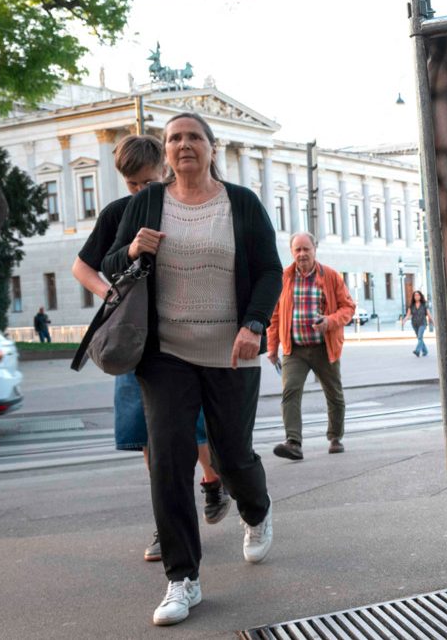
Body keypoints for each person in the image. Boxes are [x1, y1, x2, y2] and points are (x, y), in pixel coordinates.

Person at [102, 112, 281, 626]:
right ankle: (183, 579)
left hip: (232, 351)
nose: (184, 145)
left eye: (193, 137)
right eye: (175, 138)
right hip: (166, 356)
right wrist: (133, 248)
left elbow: (270, 269)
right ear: (166, 149)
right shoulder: (147, 202)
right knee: (168, 461)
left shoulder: (240, 203)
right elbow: (112, 263)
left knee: (230, 454)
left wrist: (253, 324)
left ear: (210, 146)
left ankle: (257, 510)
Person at [71, 134, 231, 563]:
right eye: (133, 186)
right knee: (150, 435)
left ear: (165, 169)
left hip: (185, 338)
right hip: (138, 341)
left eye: (148, 182)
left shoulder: (185, 208)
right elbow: (82, 266)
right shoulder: (119, 214)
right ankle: (167, 524)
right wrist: (110, 294)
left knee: (194, 426)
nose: (141, 192)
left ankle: (213, 483)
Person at [266, 232, 355, 460]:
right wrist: (272, 347)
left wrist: (329, 321)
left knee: (334, 393)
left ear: (315, 249)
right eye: (298, 250)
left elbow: (348, 308)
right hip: (294, 349)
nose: (302, 254)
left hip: (324, 347)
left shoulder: (331, 276)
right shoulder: (285, 277)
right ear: (292, 252)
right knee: (290, 391)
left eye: (306, 249)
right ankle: (293, 442)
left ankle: (335, 437)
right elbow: (275, 315)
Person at [401, 290, 433, 357]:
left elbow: (429, 314)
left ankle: (417, 351)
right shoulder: (411, 305)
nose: (417, 296)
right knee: (419, 338)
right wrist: (404, 321)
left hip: (422, 323)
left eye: (418, 295)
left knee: (420, 337)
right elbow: (408, 315)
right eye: (415, 295)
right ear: (413, 297)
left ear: (420, 296)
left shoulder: (424, 305)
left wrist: (433, 322)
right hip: (414, 324)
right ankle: (425, 351)